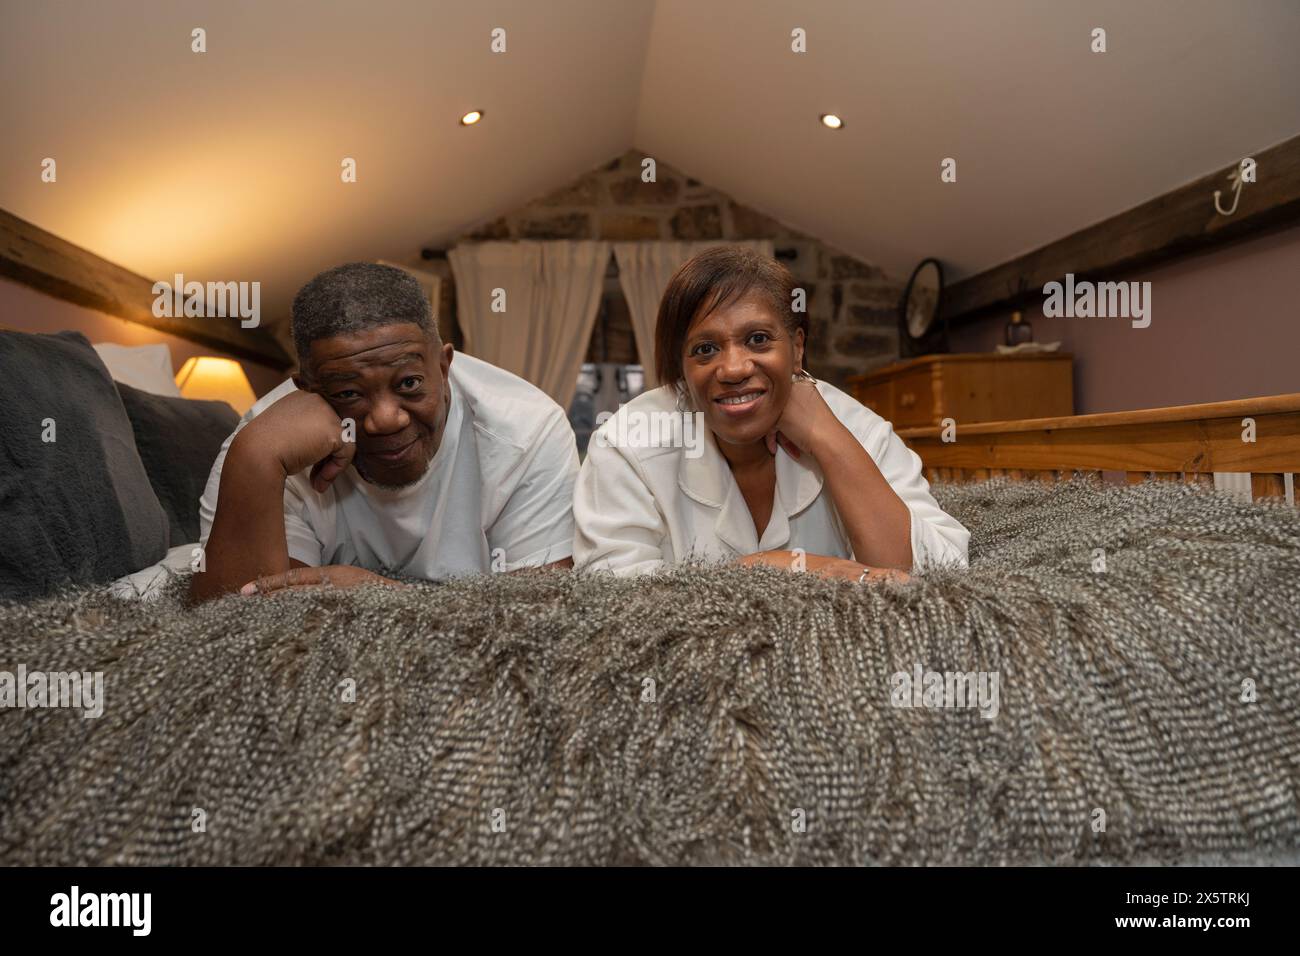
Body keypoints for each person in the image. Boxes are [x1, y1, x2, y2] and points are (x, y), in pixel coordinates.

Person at [573, 246, 968, 580]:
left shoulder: (855, 426)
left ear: (797, 348)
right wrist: (773, 568)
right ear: (680, 368)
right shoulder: (628, 442)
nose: (733, 369)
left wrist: (828, 438)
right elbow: (614, 606)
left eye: (758, 339)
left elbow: (932, 576)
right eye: (705, 349)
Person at [190, 262, 577, 602]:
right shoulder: (265, 443)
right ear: (306, 389)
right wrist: (258, 457)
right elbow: (235, 622)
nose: (385, 419)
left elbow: (540, 615)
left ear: (444, 368)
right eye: (348, 393)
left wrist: (383, 598)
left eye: (408, 383)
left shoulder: (527, 430)